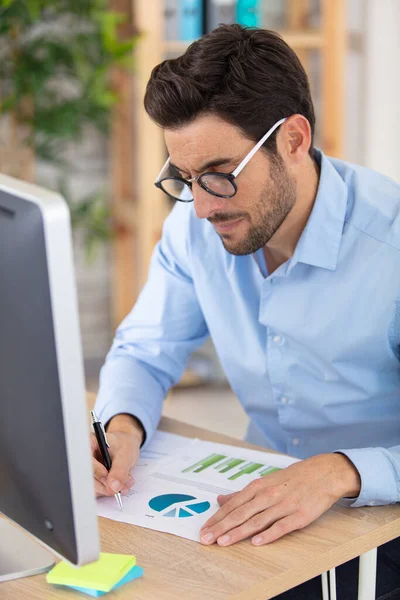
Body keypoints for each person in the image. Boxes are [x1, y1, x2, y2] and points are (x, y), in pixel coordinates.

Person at [92, 24, 400, 599]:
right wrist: (120, 427)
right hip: (259, 500)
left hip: (383, 520)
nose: (203, 207)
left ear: (292, 139)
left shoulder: (392, 250)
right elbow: (144, 350)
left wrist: (342, 471)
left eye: (220, 175)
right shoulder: (196, 227)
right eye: (184, 179)